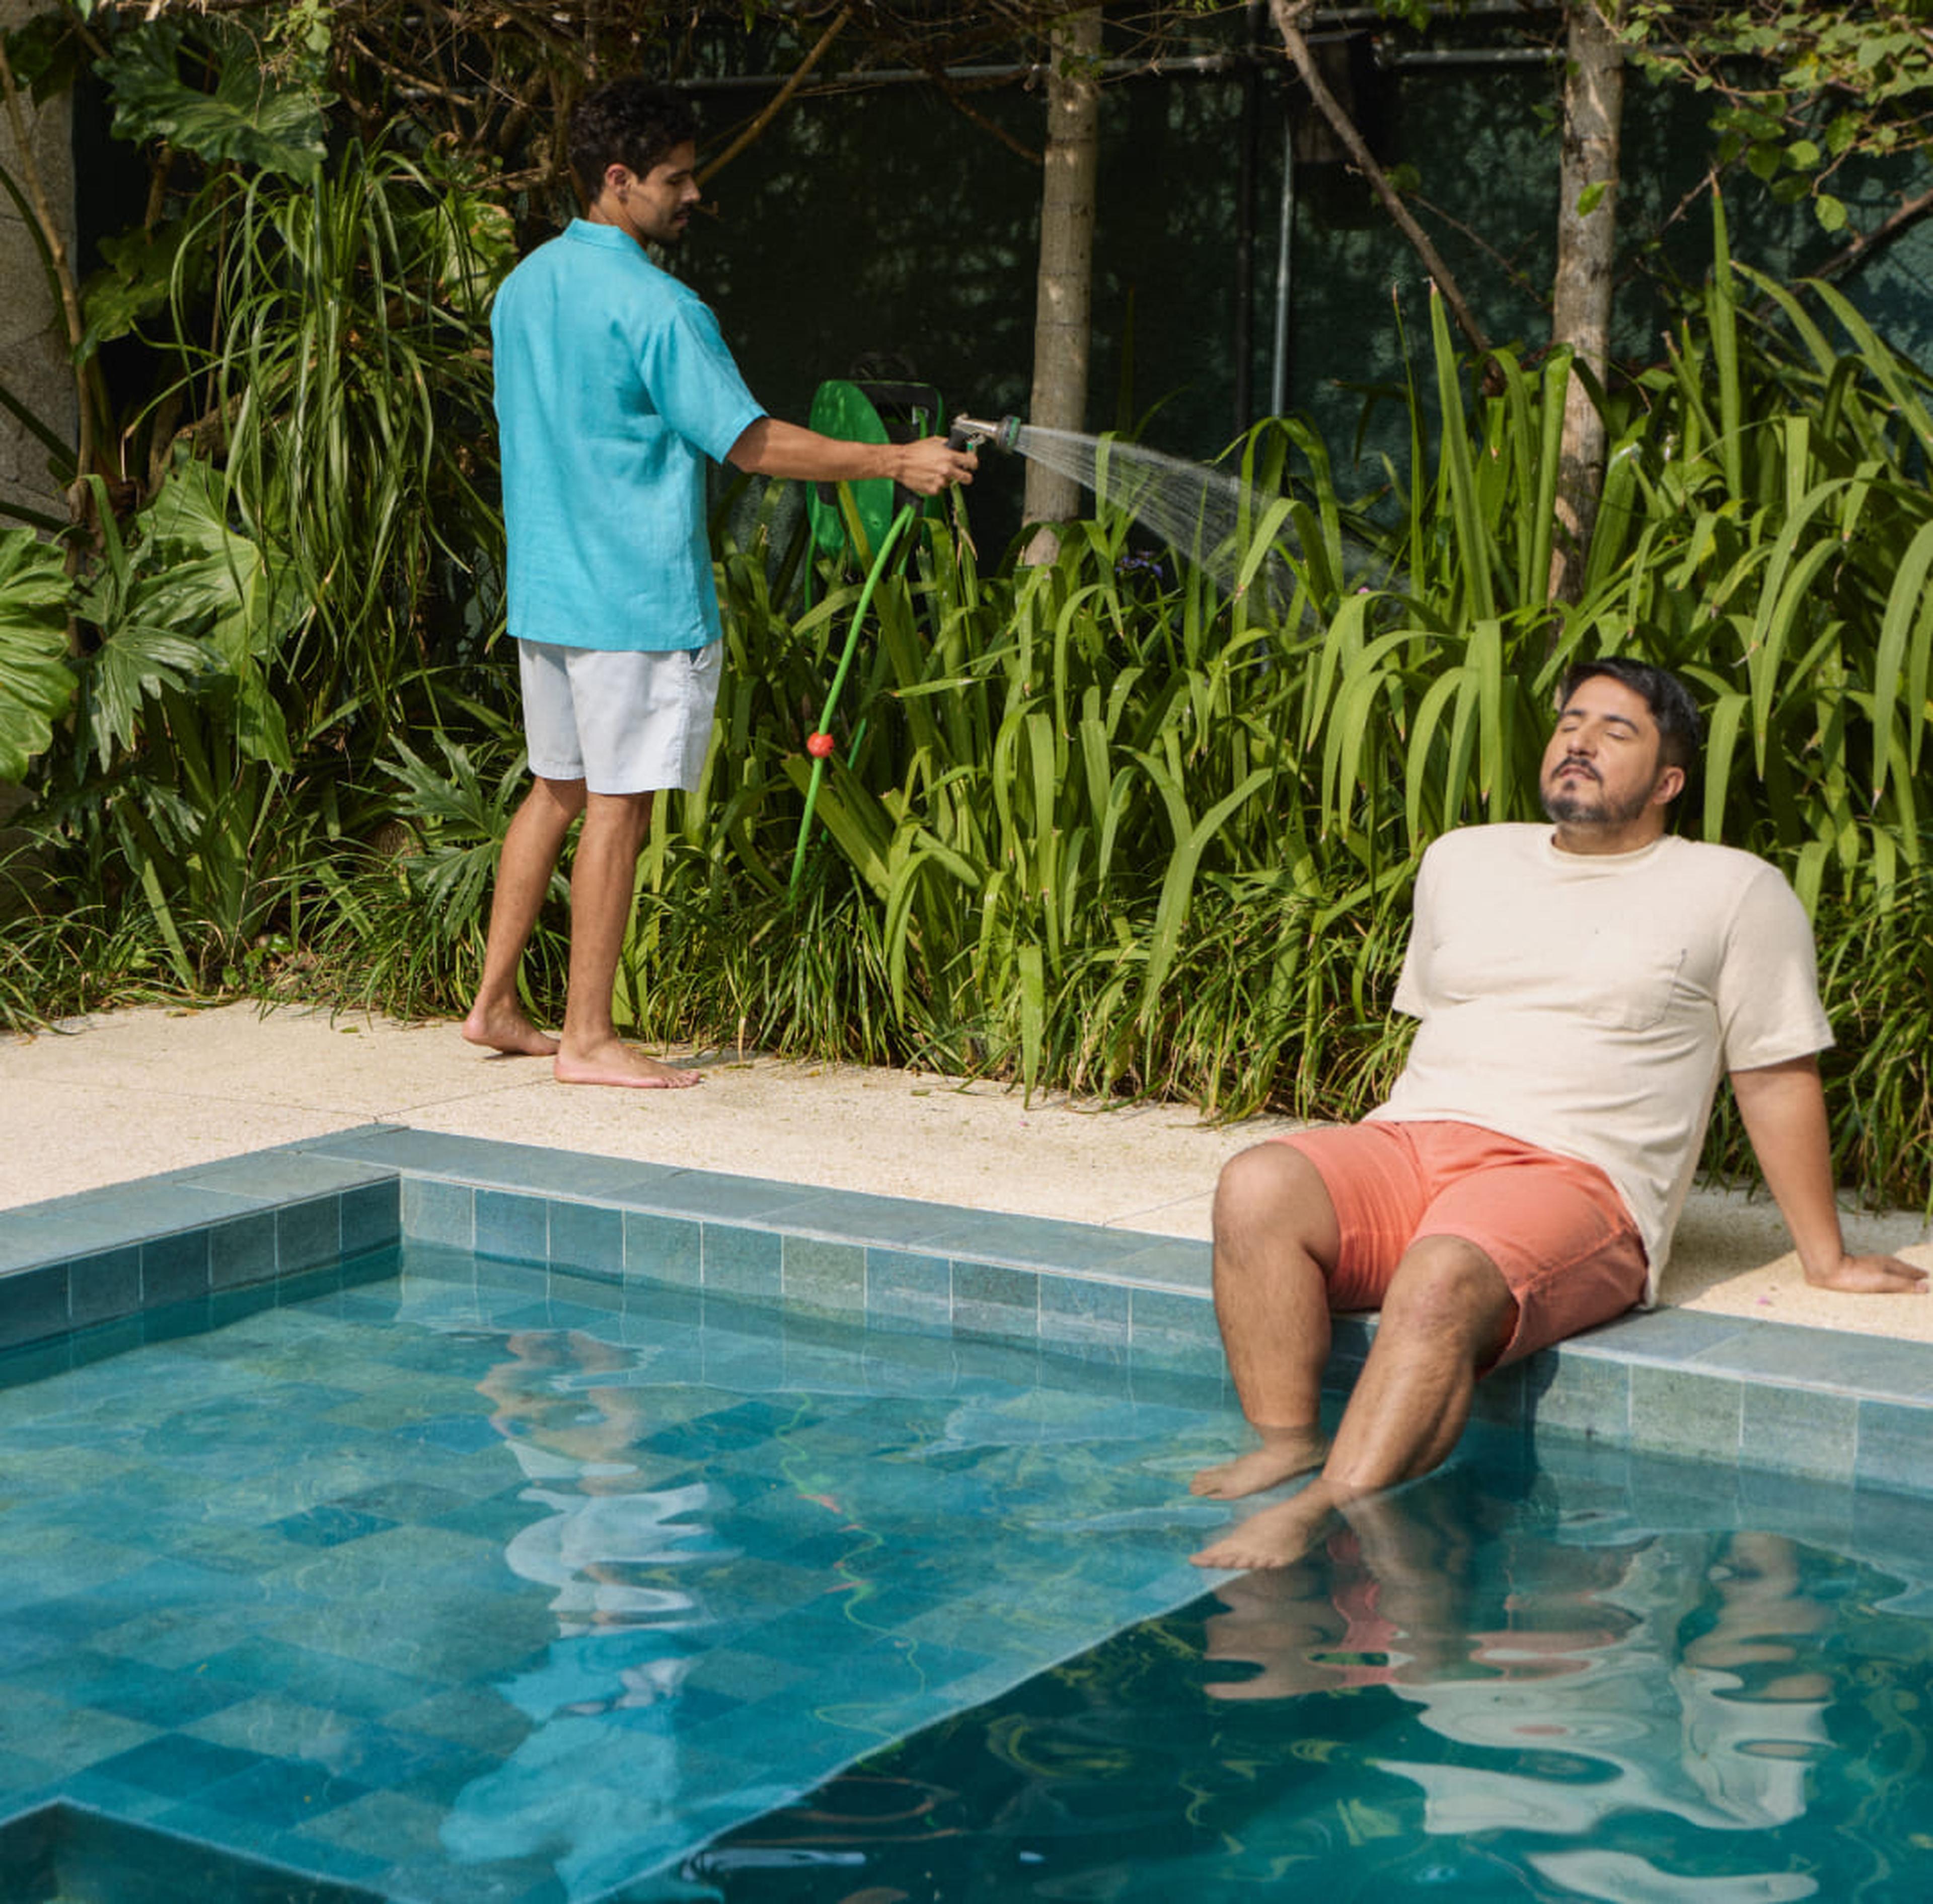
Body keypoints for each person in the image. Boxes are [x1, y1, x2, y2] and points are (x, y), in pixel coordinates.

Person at [1190, 657, 1926, 1571]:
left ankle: (1329, 1504)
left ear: (1668, 782)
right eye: (1571, 721)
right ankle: (1285, 1439)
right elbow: (1452, 1025)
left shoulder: (1734, 889)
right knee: (1256, 1184)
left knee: (1440, 1279)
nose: (1579, 740)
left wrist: (1827, 1258)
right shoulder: (1463, 858)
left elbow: (1774, 1076)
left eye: (1617, 731)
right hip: (1413, 1142)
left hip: (1573, 1174)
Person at [462, 79, 977, 1088]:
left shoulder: (523, 287)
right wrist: (895, 461)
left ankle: (493, 1004)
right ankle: (589, 1037)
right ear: (618, 182)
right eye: (676, 178)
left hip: (549, 597)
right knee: (618, 806)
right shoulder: (661, 306)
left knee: (556, 789)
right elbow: (751, 446)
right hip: (634, 603)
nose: (693, 194)